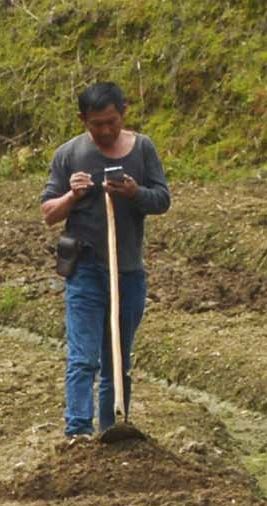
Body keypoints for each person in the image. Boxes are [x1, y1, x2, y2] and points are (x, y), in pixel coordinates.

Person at [39, 81, 169, 441]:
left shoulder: (142, 149)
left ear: (123, 114)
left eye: (111, 121)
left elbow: (162, 199)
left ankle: (112, 427)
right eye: (97, 124)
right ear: (83, 120)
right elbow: (49, 213)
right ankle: (78, 433)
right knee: (83, 358)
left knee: (118, 358)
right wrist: (72, 195)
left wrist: (133, 192)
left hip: (127, 271)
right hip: (85, 271)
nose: (106, 130)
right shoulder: (69, 155)